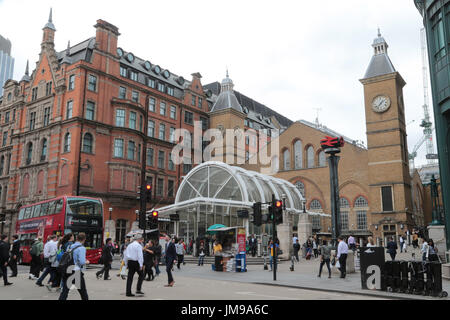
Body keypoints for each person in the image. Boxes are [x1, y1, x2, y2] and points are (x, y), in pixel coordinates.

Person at [58, 233, 89, 300]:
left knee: (65, 291)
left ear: (77, 238)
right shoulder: (82, 248)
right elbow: (82, 262)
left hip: (68, 269)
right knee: (83, 292)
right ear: (84, 239)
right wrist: (87, 261)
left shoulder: (70, 246)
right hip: (76, 271)